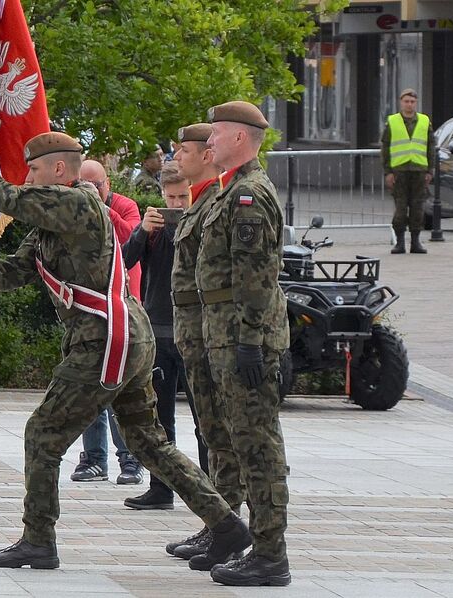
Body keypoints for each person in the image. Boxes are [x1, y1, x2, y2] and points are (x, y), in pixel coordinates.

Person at [0, 132, 250, 571]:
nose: (29, 179)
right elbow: (15, 273)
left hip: (105, 339)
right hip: (123, 336)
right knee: (148, 442)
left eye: (35, 170)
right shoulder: (54, 221)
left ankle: (38, 540)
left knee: (43, 434)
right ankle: (227, 526)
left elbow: (8, 198)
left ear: (59, 170)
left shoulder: (77, 203)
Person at [192, 101, 292, 586]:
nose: (208, 141)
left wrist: (250, 341)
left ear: (239, 138)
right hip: (226, 337)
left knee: (258, 447)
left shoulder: (249, 195)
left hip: (243, 338)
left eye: (215, 133)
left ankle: (271, 555)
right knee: (241, 441)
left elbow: (255, 276)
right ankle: (259, 547)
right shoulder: (231, 190)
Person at [165, 124, 247, 560]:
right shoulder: (200, 202)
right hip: (196, 334)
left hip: (216, 333)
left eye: (185, 150)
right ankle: (219, 523)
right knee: (212, 433)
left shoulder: (220, 199)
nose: (177, 156)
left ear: (206, 156)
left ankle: (230, 525)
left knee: (226, 435)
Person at [119, 161, 196, 511]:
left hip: (196, 332)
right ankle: (161, 487)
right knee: (160, 419)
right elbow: (124, 261)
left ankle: (210, 492)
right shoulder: (153, 228)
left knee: (205, 420)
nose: (177, 204)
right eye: (171, 197)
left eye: (183, 196)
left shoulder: (204, 222)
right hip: (160, 331)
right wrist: (141, 230)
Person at [71, 159, 143, 485]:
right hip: (89, 311)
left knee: (119, 388)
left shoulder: (126, 207)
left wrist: (101, 206)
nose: (90, 191)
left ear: (107, 183)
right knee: (88, 388)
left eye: (96, 185)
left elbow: (130, 239)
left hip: (123, 310)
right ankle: (94, 458)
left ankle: (130, 459)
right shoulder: (76, 211)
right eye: (83, 186)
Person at [381, 88, 434, 254]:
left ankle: (416, 242)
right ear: (401, 102)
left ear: (416, 103)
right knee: (401, 209)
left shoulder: (425, 121)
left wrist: (430, 171)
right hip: (399, 172)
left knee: (418, 208)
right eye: (406, 101)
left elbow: (430, 148)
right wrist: (387, 172)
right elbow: (385, 148)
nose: (409, 105)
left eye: (412, 101)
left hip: (419, 171)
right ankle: (400, 243)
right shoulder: (393, 121)